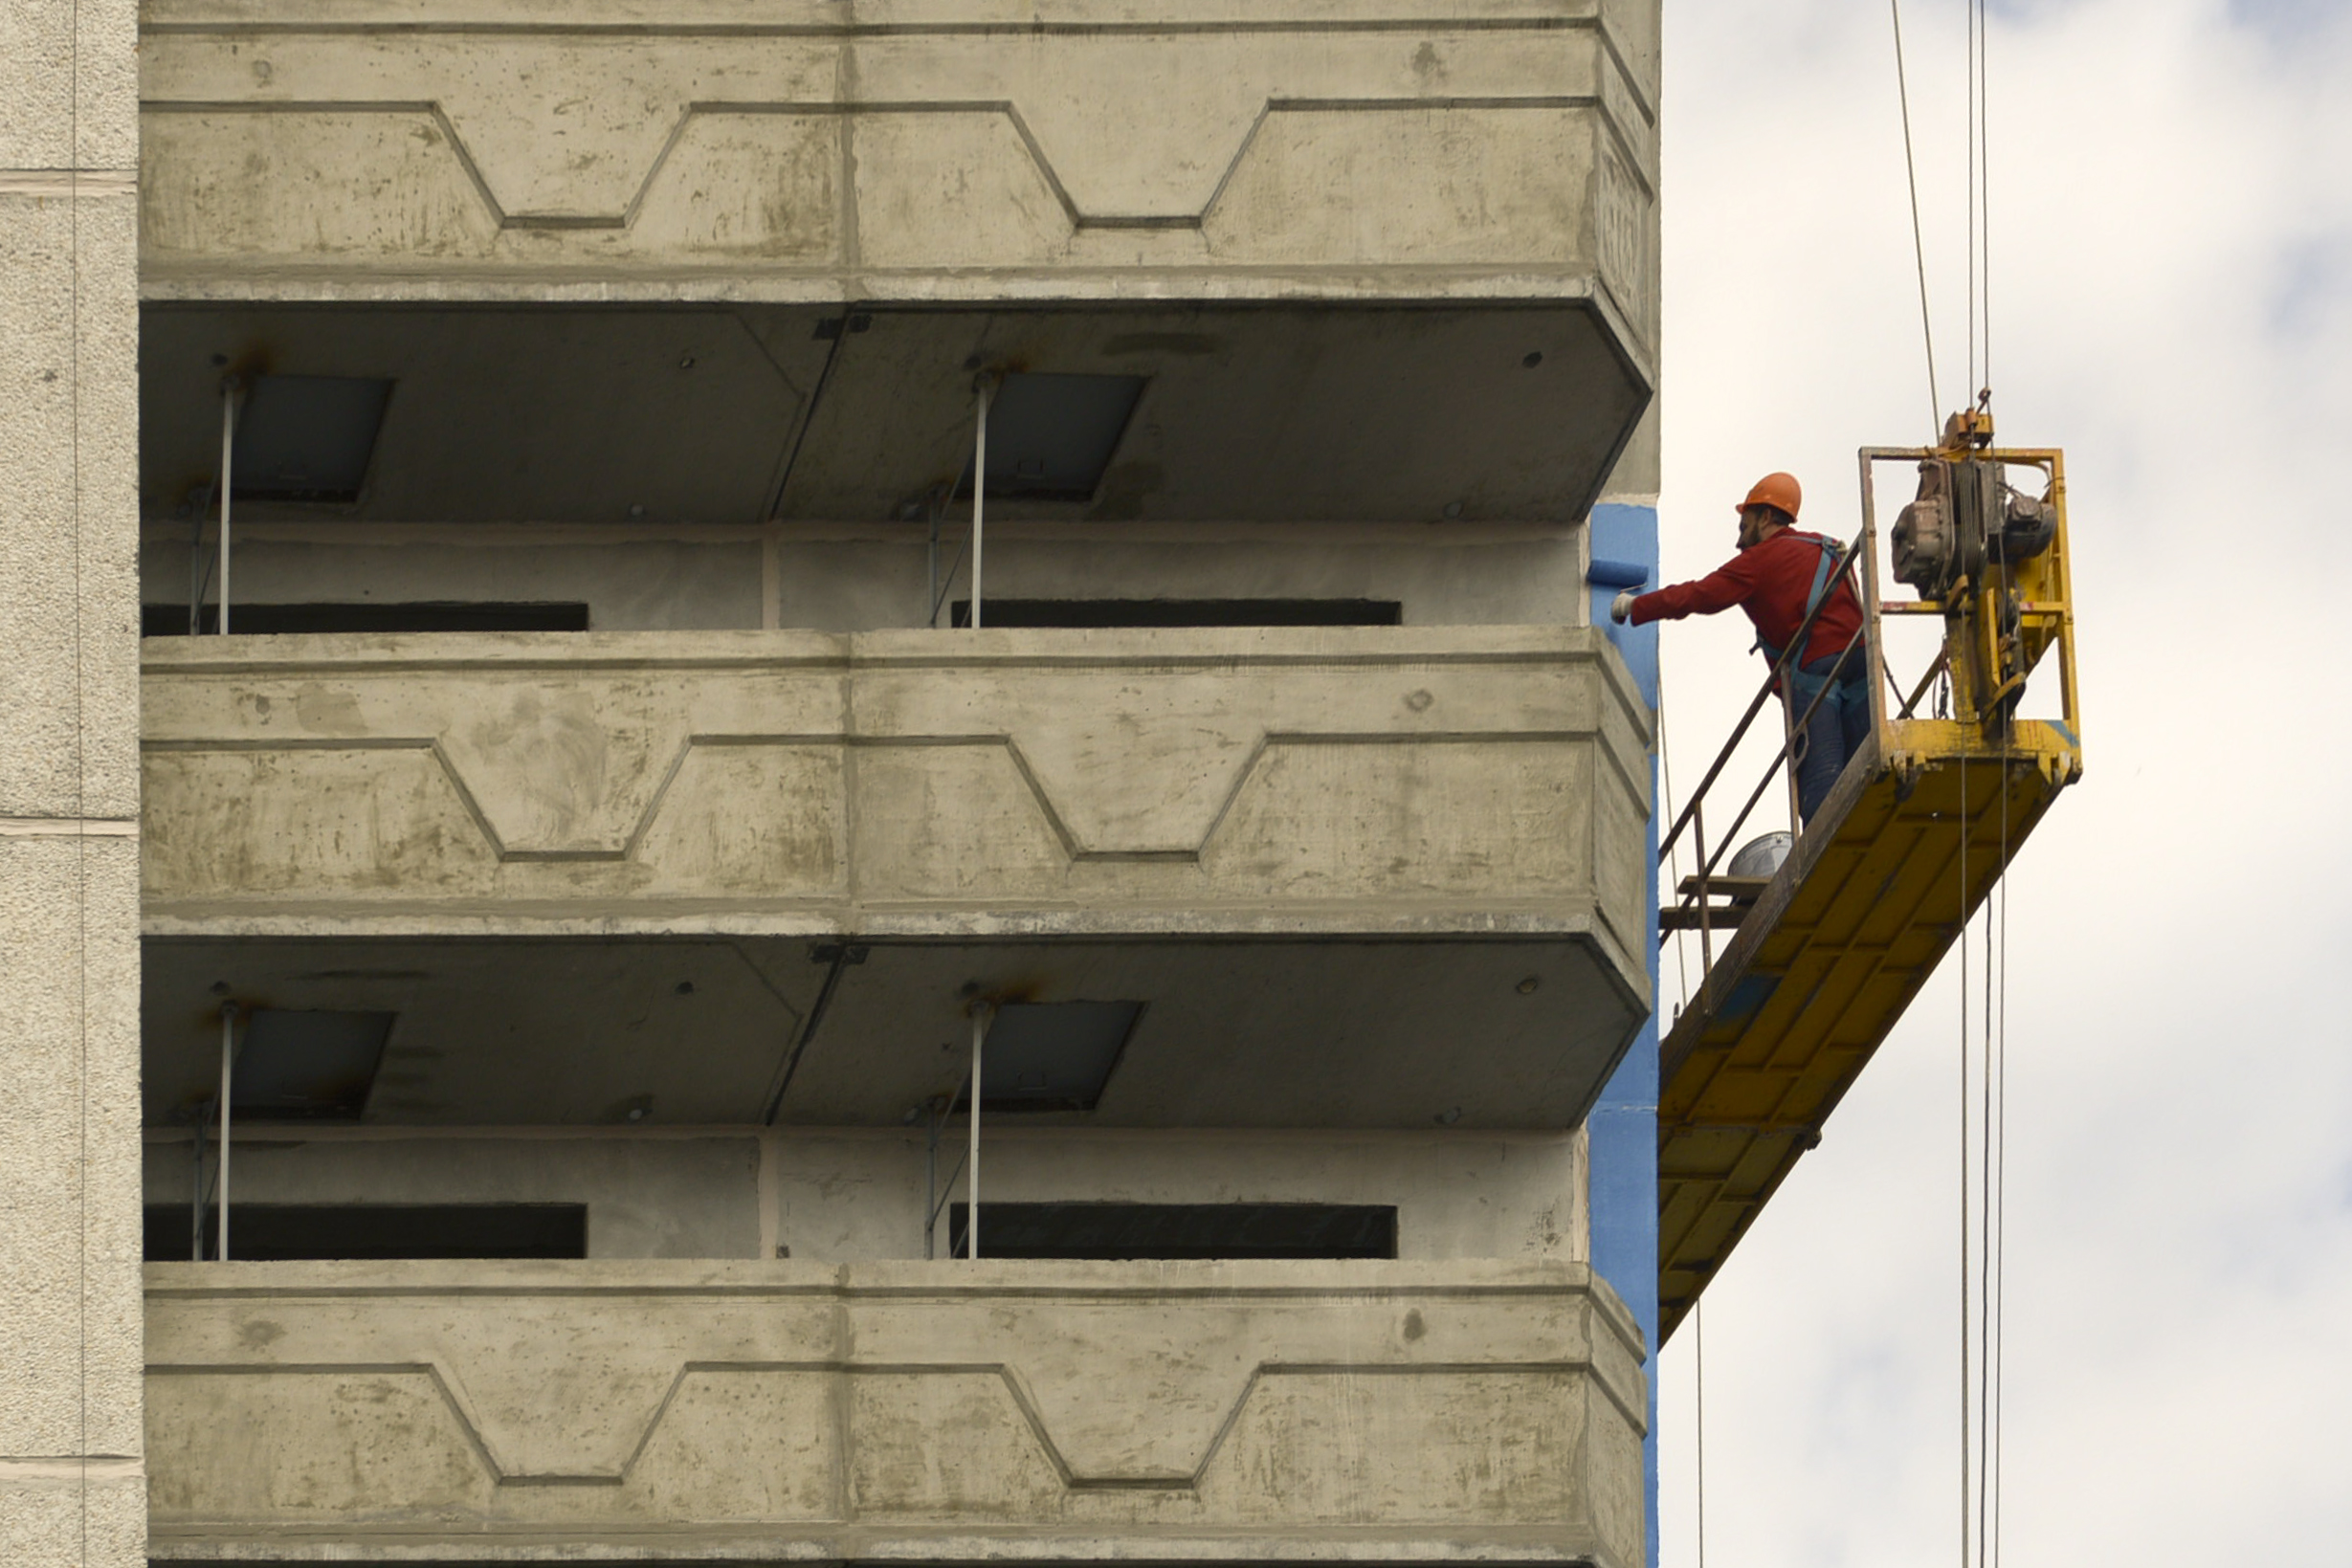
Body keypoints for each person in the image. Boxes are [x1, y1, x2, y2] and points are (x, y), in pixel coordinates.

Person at [1610, 472, 1870, 825]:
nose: (1739, 531)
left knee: (1822, 794)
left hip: (1817, 672)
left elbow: (1698, 595)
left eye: (1744, 520)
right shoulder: (1828, 548)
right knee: (1871, 771)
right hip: (1862, 664)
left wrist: (1634, 607)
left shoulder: (1760, 561)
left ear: (1765, 517)